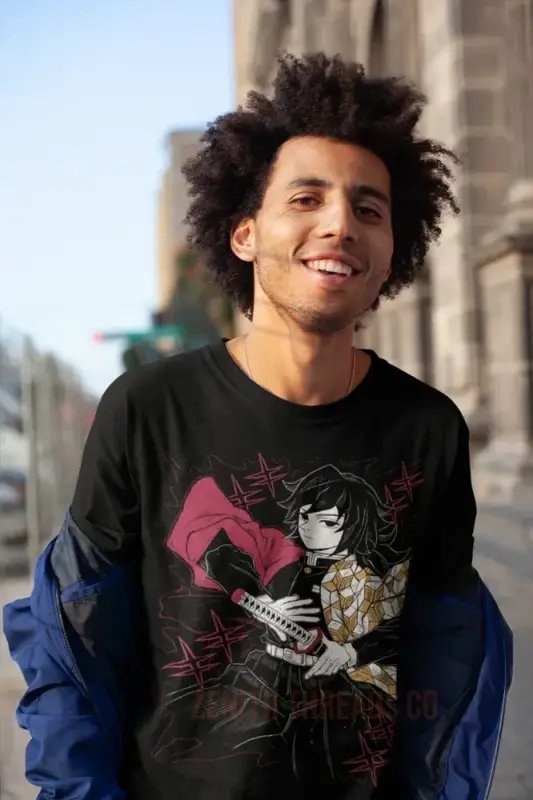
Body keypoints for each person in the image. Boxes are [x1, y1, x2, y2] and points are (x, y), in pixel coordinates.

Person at [3, 52, 512, 800]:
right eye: (306, 198)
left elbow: (442, 649)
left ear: (387, 255)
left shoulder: (428, 428)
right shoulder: (147, 409)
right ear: (243, 235)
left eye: (368, 209)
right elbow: (72, 642)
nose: (340, 222)